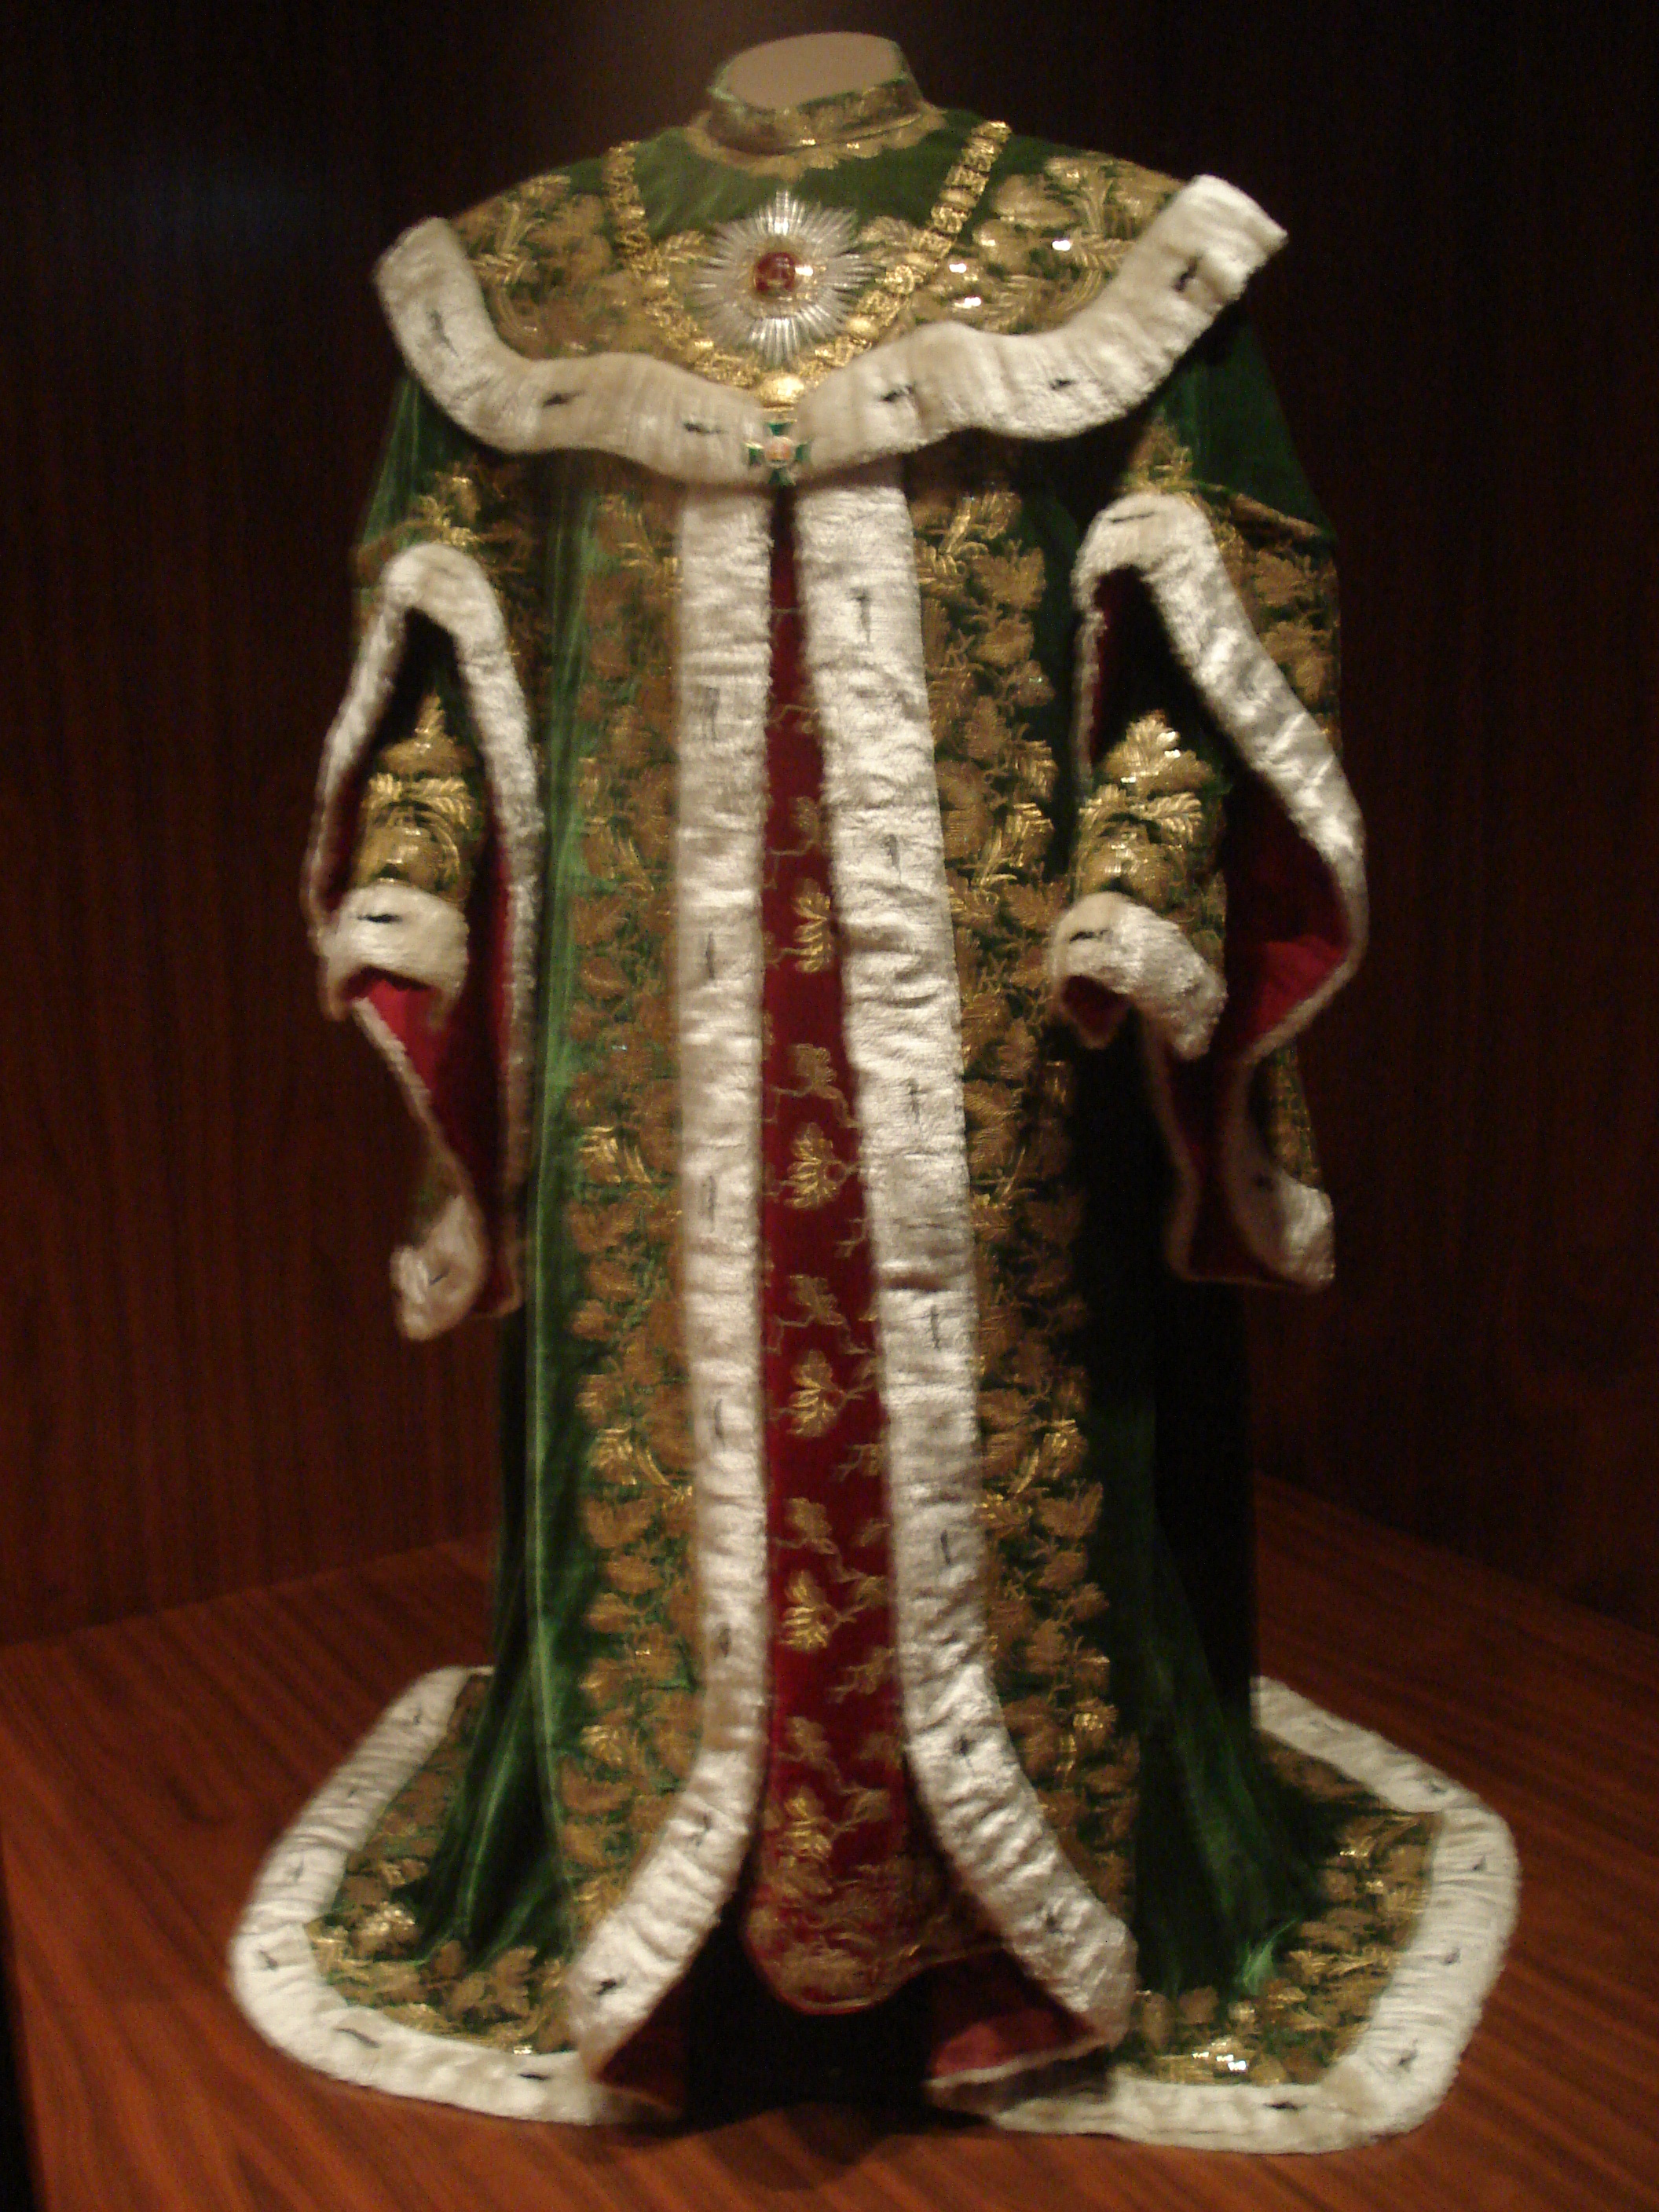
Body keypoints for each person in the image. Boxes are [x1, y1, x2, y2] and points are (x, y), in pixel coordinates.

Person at [254, 36, 1508, 2141]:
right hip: (644, 1054)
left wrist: (1137, 884)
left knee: (997, 1435)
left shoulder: (1101, 249)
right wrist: (412, 880)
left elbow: (1214, 632)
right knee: (675, 1443)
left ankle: (1002, 1927)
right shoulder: (524, 279)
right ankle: (687, 1931)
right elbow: (445, 657)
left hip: (999, 1054)